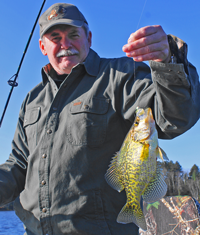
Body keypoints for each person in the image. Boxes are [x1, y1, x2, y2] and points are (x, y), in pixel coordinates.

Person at [0, 3, 199, 235]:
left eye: (73, 34)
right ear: (43, 47)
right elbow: (19, 164)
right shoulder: (31, 100)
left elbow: (174, 118)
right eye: (55, 37)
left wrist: (168, 61)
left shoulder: (120, 75)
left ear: (89, 38)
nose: (66, 44)